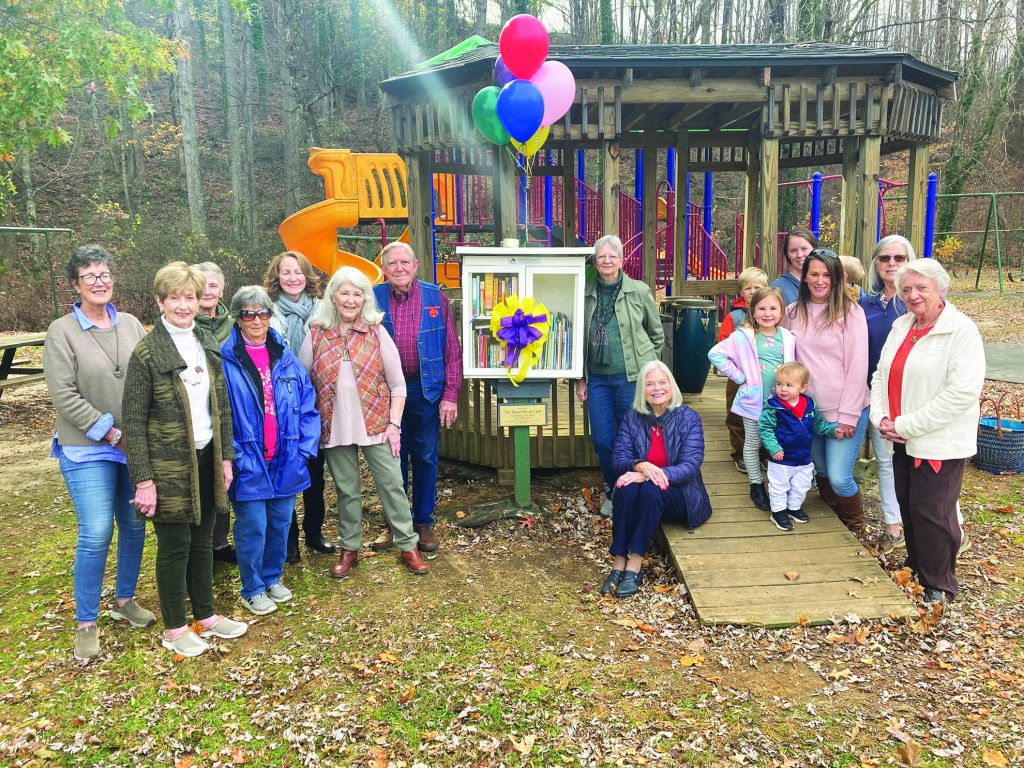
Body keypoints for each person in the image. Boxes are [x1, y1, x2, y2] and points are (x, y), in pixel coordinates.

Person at [123, 261, 248, 657]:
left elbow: (221, 407)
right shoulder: (147, 353)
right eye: (174, 297)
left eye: (189, 297)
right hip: (168, 466)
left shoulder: (205, 343)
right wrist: (144, 480)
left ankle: (206, 616)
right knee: (175, 545)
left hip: (208, 457)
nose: (183, 305)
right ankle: (175, 626)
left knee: (203, 540)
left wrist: (226, 458)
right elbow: (133, 420)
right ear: (160, 301)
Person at [43, 244, 154, 661]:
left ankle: (124, 600)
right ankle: (86, 621)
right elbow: (63, 395)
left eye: (105, 274)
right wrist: (111, 433)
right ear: (75, 284)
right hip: (87, 448)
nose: (99, 282)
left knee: (134, 524)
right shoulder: (61, 331)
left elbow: (146, 376)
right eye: (89, 276)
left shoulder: (129, 324)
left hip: (133, 446)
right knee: (95, 533)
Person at [300, 266, 430, 577]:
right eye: (344, 293)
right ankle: (349, 548)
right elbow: (303, 382)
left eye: (357, 294)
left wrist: (394, 425)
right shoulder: (317, 332)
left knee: (392, 486)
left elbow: (398, 385)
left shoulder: (376, 331)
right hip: (333, 425)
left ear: (364, 299)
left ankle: (408, 546)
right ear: (333, 296)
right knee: (347, 490)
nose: (350, 300)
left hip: (377, 425)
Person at [870, 258, 985, 606]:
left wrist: (905, 424)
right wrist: (881, 418)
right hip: (901, 436)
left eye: (921, 288)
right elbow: (880, 375)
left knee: (933, 510)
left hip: (939, 440)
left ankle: (940, 584)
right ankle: (918, 565)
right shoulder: (903, 325)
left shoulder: (961, 330)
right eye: (906, 289)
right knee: (907, 500)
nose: (913, 295)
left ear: (941, 290)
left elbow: (961, 393)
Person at [221, 286, 320, 616]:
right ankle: (251, 587)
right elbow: (221, 414)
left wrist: (305, 449)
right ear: (238, 318)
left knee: (280, 522)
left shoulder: (285, 355)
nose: (256, 320)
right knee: (253, 526)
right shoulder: (226, 360)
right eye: (248, 314)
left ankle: (272, 577)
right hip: (248, 458)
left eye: (263, 313)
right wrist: (233, 455)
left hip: (286, 456)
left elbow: (308, 405)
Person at [371, 242, 463, 553]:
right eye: (392, 263)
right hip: (385, 395)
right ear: (385, 269)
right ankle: (395, 522)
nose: (399, 268)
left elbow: (452, 350)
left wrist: (450, 395)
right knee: (391, 461)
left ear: (415, 265)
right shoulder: (372, 297)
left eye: (404, 262)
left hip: (425, 391)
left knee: (424, 457)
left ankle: (423, 522)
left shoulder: (435, 296)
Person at [602, 361, 712, 598]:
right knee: (624, 487)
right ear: (642, 390)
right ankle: (619, 560)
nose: (657, 388)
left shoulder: (689, 418)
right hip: (647, 493)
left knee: (651, 488)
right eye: (650, 384)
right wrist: (639, 466)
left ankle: (635, 562)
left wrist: (649, 476)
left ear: (671, 386)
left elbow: (690, 467)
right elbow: (619, 457)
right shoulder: (633, 418)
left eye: (662, 382)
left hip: (682, 496)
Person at [782, 248, 870, 537]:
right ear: (805, 276)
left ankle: (855, 525)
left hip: (844, 408)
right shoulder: (793, 312)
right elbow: (781, 355)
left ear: (837, 279)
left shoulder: (850, 313)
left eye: (827, 275)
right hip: (808, 410)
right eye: (814, 274)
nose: (820, 281)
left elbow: (858, 367)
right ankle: (833, 514)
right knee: (819, 468)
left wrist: (848, 416)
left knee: (839, 475)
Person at [576, 234, 665, 517]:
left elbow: (656, 334)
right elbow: (577, 338)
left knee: (634, 437)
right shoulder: (585, 291)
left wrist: (649, 372)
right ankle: (614, 488)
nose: (607, 261)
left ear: (622, 260)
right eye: (601, 256)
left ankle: (632, 489)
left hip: (631, 378)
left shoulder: (638, 291)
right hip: (598, 378)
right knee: (603, 438)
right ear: (594, 260)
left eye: (612, 256)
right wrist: (580, 377)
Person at [264, 250, 335, 562]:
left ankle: (314, 533)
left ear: (308, 276)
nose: (292, 278)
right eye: (286, 272)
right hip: (279, 404)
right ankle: (288, 540)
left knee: (314, 472)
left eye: (298, 272)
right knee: (284, 472)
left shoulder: (323, 309)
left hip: (315, 402)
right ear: (277, 277)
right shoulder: (265, 311)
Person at [708, 286, 796, 512]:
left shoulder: (787, 337)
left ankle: (780, 485)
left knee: (778, 441)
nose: (768, 313)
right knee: (753, 442)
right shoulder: (743, 336)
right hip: (754, 402)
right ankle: (756, 484)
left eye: (773, 308)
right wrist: (739, 376)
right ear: (753, 311)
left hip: (781, 403)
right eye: (762, 308)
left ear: (781, 311)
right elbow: (715, 353)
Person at [758, 362, 839, 531]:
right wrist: (774, 448)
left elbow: (818, 426)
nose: (783, 389)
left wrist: (833, 431)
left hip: (803, 458)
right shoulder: (774, 407)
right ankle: (778, 511)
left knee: (801, 485)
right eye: (779, 384)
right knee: (779, 486)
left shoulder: (809, 405)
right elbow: (766, 429)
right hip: (781, 458)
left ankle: (793, 507)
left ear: (803, 388)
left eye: (789, 385)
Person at [192, 261, 236, 563]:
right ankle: (199, 549)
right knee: (204, 480)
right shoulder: (184, 324)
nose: (207, 291)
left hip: (233, 411)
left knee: (228, 479)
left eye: (212, 285)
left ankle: (220, 544)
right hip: (199, 412)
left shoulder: (234, 324)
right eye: (200, 285)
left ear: (222, 290)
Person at [717, 266, 769, 473]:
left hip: (764, 375)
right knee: (736, 414)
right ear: (741, 292)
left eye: (757, 287)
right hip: (739, 376)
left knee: (765, 414)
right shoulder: (735, 317)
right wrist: (735, 371)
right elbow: (722, 344)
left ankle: (764, 453)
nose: (752, 291)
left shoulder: (771, 312)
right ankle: (740, 453)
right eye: (747, 288)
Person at [772, 226, 818, 305]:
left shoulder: (825, 283)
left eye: (804, 249)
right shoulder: (777, 289)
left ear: (814, 249)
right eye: (793, 251)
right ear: (787, 254)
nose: (799, 255)